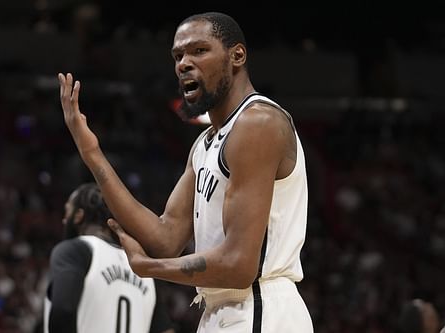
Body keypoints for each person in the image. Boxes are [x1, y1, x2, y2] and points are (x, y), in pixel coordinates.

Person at [58, 11, 314, 333]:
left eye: (198, 51)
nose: (183, 64)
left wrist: (150, 268)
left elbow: (238, 265)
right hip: (221, 311)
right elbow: (165, 238)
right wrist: (92, 154)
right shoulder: (205, 143)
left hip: (261, 308)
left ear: (237, 56)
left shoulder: (257, 123)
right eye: (178, 55)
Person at [43, 182, 176, 333]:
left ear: (79, 216)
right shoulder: (144, 266)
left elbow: (64, 309)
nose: (63, 220)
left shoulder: (73, 251)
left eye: (67, 211)